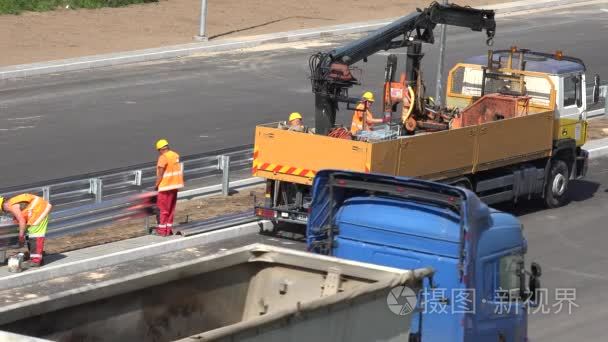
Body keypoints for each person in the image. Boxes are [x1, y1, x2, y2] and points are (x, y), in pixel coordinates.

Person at [0, 194, 52, 267]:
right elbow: (20, 216)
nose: (6, 212)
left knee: (35, 235)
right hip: (38, 208)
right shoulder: (12, 202)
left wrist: (21, 236)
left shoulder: (12, 206)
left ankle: (36, 261)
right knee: (29, 234)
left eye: (3, 211)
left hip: (39, 209)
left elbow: (22, 221)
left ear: (3, 206)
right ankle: (36, 257)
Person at [154, 139, 184, 236]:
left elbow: (160, 174)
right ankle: (168, 230)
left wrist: (156, 186)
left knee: (163, 209)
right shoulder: (175, 155)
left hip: (165, 187)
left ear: (160, 149)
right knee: (171, 209)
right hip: (175, 186)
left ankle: (162, 231)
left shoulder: (163, 157)